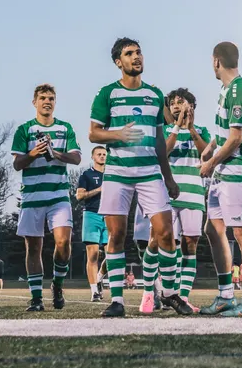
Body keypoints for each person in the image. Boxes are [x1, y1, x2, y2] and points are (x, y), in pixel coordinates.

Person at [88, 38, 187, 317]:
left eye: (138, 52)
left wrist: (168, 178)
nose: (136, 57)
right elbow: (93, 133)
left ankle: (169, 294)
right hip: (118, 173)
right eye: (129, 54)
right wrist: (117, 134)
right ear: (119, 62)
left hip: (149, 173)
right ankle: (117, 301)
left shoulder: (155, 94)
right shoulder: (107, 93)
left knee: (166, 233)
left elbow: (159, 141)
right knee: (116, 235)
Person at [198, 41, 242, 316]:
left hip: (238, 173)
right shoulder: (225, 90)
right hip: (223, 175)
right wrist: (211, 145)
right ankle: (225, 295)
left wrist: (211, 162)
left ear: (216, 61)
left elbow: (237, 138)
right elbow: (225, 131)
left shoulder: (238, 90)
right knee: (213, 230)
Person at [11, 84, 82, 312]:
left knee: (63, 242)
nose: (47, 101)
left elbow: (76, 159)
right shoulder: (24, 130)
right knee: (34, 247)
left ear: (55, 102)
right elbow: (17, 164)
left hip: (58, 194)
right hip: (32, 196)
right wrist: (34, 153)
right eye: (42, 98)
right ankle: (36, 298)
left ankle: (57, 284)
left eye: (51, 98)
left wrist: (54, 152)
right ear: (34, 102)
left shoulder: (65, 128)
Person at [164, 90, 211, 306]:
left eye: (180, 102)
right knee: (168, 244)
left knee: (190, 244)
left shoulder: (202, 131)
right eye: (172, 103)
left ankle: (183, 296)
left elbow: (207, 155)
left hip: (193, 195)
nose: (176, 106)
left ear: (191, 105)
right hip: (167, 194)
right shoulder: (164, 130)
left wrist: (190, 128)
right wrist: (177, 127)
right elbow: (162, 153)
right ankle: (168, 293)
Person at [76, 147, 109, 301]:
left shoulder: (112, 174)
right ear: (93, 156)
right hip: (91, 214)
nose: (102, 157)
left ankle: (100, 276)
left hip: (109, 215)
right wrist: (100, 189)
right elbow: (79, 195)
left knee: (112, 256)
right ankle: (94, 291)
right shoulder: (86, 175)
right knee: (93, 255)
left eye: (104, 154)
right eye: (99, 154)